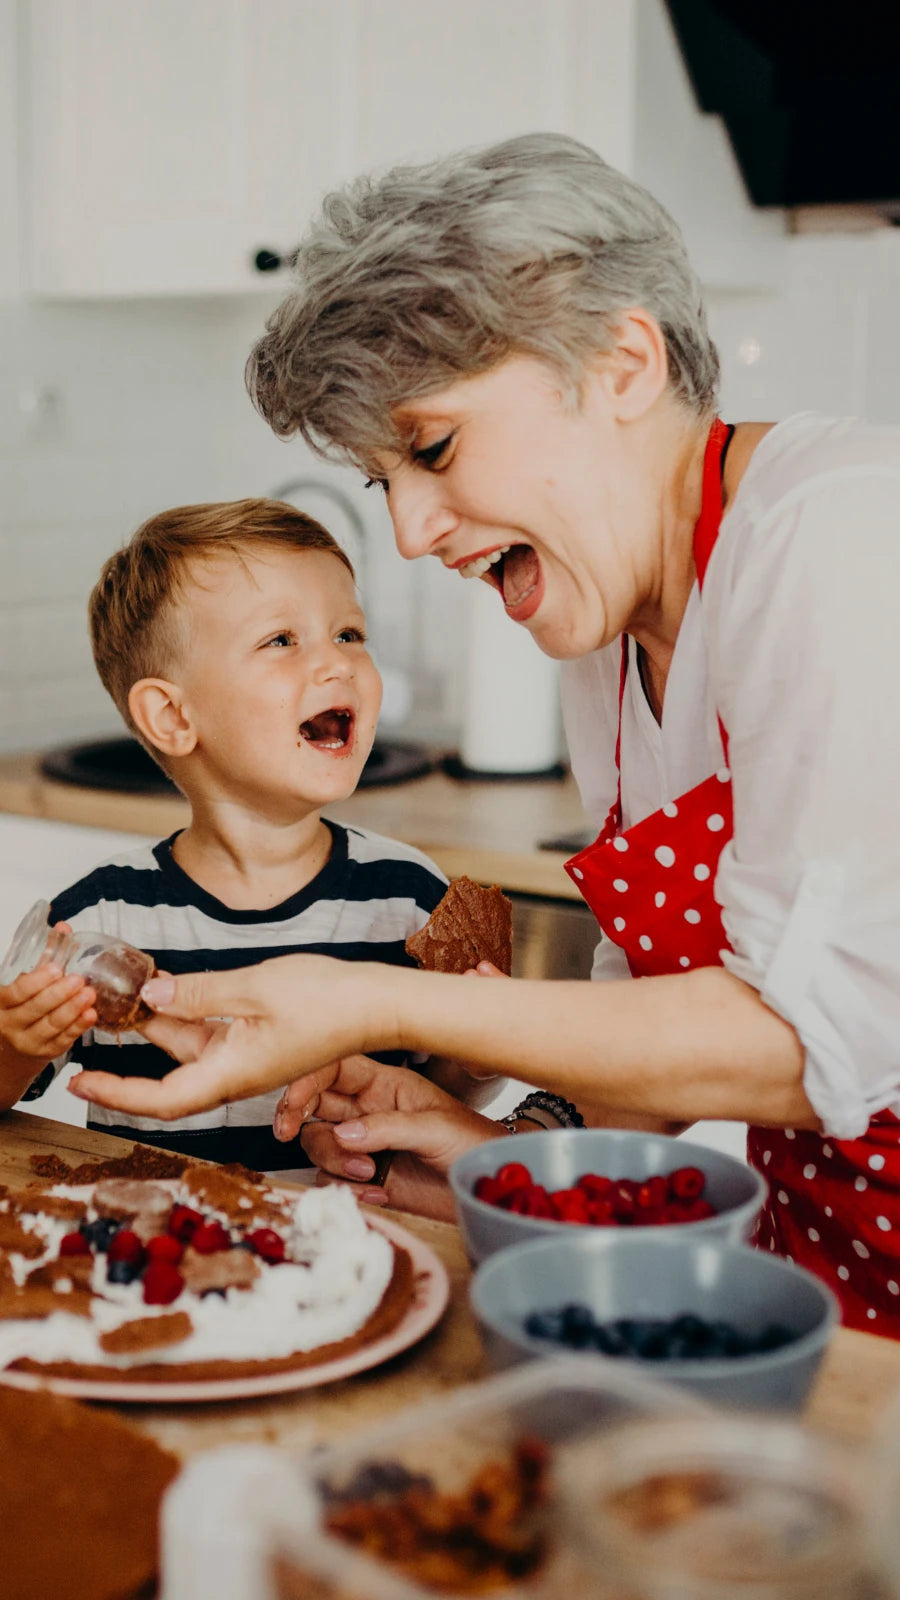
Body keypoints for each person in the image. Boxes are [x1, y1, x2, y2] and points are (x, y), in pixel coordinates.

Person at [70, 134, 900, 1333]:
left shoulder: (837, 535)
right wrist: (501, 1151)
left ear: (621, 362)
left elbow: (807, 1041)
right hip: (833, 1284)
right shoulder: (610, 631)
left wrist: (373, 1001)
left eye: (435, 448)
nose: (410, 533)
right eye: (385, 481)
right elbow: (661, 1026)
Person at [0, 498, 491, 1172]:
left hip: (361, 1232)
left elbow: (448, 1103)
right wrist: (16, 1042)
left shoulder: (409, 899)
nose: (338, 663)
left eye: (349, 633)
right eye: (281, 640)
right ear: (173, 717)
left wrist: (478, 1054)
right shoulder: (100, 920)